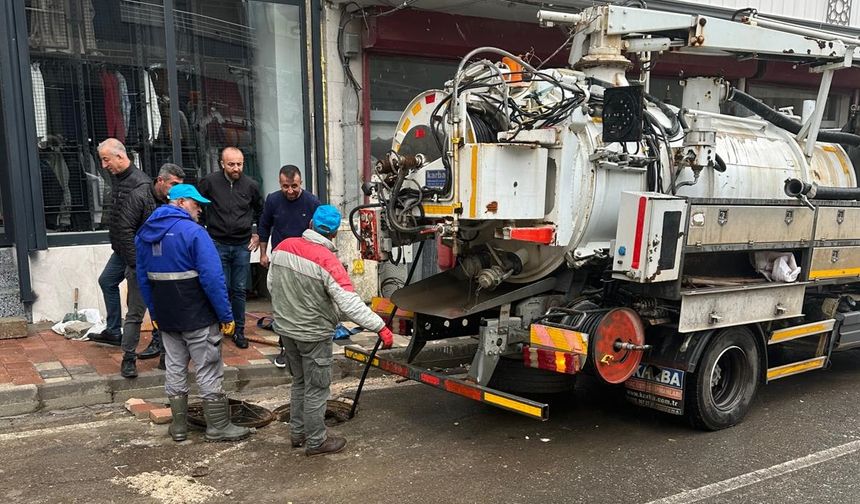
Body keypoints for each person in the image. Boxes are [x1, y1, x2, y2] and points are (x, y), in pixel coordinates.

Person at [267, 205, 394, 456]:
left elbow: (272, 286)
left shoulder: (283, 247)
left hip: (286, 330)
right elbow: (350, 303)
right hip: (313, 334)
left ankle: (297, 433)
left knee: (299, 382)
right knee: (317, 388)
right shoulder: (328, 260)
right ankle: (316, 442)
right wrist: (380, 327)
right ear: (334, 234)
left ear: (311, 224)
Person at [135, 184, 250, 443]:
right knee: (208, 367)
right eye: (196, 204)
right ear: (181, 202)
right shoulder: (194, 233)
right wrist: (226, 315)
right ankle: (218, 426)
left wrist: (155, 313)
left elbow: (142, 278)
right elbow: (213, 278)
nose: (200, 209)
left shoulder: (144, 234)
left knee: (175, 367)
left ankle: (178, 427)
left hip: (167, 316)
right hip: (198, 315)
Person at [198, 147, 263, 349]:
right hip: (217, 243)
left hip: (242, 245)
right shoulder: (209, 182)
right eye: (231, 164)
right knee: (220, 287)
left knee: (239, 290)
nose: (236, 168)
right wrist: (202, 232)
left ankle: (239, 331)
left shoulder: (251, 185)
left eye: (239, 164)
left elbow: (261, 211)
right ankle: (220, 327)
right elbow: (197, 207)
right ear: (222, 164)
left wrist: (257, 233)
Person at [257, 165, 321, 369]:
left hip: (304, 262)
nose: (290, 191)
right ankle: (285, 347)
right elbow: (264, 226)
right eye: (285, 186)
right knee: (283, 306)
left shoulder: (312, 202)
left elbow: (320, 232)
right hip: (281, 260)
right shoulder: (273, 200)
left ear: (301, 183)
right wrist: (263, 253)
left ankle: (305, 347)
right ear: (280, 184)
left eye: (294, 186)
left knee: (304, 305)